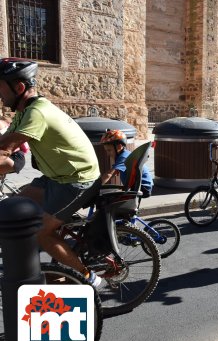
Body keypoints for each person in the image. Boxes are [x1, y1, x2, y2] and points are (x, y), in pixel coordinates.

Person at [0, 58, 102, 286]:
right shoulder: (25, 112)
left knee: (39, 231)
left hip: (77, 180)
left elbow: (6, 150)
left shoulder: (37, 113)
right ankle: (35, 261)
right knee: (11, 209)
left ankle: (89, 278)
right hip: (55, 178)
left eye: (0, 87)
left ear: (18, 87)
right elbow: (3, 142)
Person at [100, 129, 153, 197]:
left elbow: (109, 175)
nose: (108, 154)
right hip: (139, 185)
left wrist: (95, 186)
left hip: (143, 187)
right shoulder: (123, 155)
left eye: (109, 150)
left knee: (106, 200)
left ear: (119, 146)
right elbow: (114, 173)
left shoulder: (124, 157)